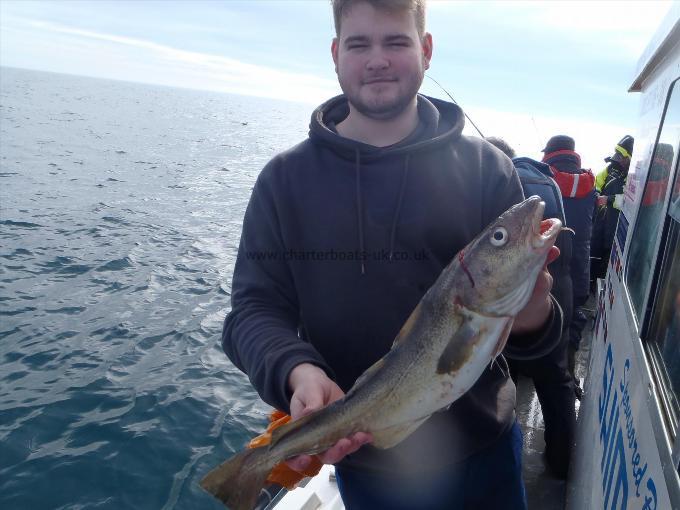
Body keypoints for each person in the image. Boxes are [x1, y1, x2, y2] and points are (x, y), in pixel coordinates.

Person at [222, 2, 562, 508]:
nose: (377, 59)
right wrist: (297, 370)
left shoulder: (486, 170)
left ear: (426, 50)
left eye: (396, 42)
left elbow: (528, 344)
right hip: (365, 462)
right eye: (359, 44)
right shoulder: (284, 182)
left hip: (485, 451)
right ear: (336, 55)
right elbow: (251, 312)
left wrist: (534, 313)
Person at [486, 137, 575, 479]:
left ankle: (503, 455)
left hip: (524, 292)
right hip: (561, 288)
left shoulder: (501, 184)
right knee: (555, 380)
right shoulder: (550, 181)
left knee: (501, 372)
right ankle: (562, 464)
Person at [541, 135, 596, 388]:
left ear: (550, 153)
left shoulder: (544, 178)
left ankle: (535, 365)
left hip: (551, 261)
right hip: (580, 263)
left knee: (543, 312)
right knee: (572, 316)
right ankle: (569, 373)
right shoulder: (590, 183)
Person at [591, 135, 634, 283]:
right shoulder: (611, 168)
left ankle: (600, 286)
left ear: (629, 158)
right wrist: (596, 192)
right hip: (601, 219)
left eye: (622, 157)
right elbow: (597, 181)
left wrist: (608, 199)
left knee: (609, 254)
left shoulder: (635, 176)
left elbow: (631, 201)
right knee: (594, 247)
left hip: (618, 224)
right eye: (618, 156)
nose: (619, 160)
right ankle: (590, 283)